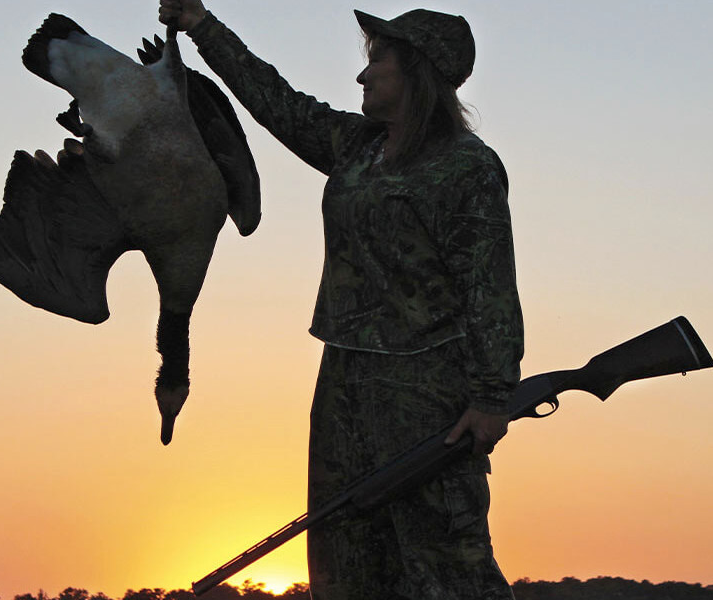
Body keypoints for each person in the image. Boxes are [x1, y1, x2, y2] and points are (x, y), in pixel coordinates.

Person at [158, 2, 524, 598]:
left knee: (446, 563)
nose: (363, 74)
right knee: (344, 558)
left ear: (419, 72)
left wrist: (492, 396)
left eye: (377, 60)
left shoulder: (467, 168)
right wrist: (203, 26)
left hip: (426, 388)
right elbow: (275, 100)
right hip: (344, 378)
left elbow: (490, 289)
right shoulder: (357, 147)